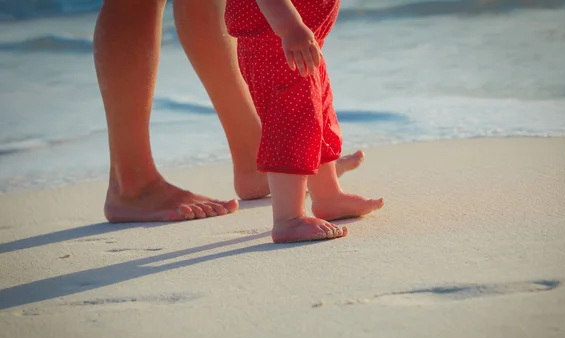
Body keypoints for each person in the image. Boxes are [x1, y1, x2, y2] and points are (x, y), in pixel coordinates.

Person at [92, 0, 365, 223]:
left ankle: (255, 158)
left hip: (293, 42)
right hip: (279, 40)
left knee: (310, 109)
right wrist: (287, 23)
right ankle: (132, 181)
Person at [225, 0, 384, 243]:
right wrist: (288, 26)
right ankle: (288, 219)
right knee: (292, 126)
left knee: (315, 118)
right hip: (276, 44)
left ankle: (328, 196)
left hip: (299, 44)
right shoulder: (284, 34)